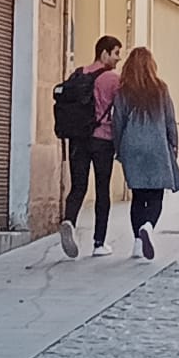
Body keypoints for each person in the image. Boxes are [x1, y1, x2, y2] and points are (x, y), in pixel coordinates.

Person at [111, 46, 179, 260]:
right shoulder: (161, 89)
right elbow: (170, 119)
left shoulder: (124, 91)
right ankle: (148, 227)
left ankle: (136, 243)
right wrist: (174, 144)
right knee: (156, 196)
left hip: (132, 147)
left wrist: (119, 147)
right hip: (157, 146)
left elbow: (117, 122)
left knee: (138, 196)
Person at [59, 36, 122, 258]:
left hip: (78, 139)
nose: (118, 58)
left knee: (78, 186)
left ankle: (69, 221)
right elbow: (122, 110)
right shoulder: (112, 79)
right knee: (102, 189)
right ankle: (99, 243)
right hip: (103, 139)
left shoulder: (78, 74)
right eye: (115, 53)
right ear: (104, 53)